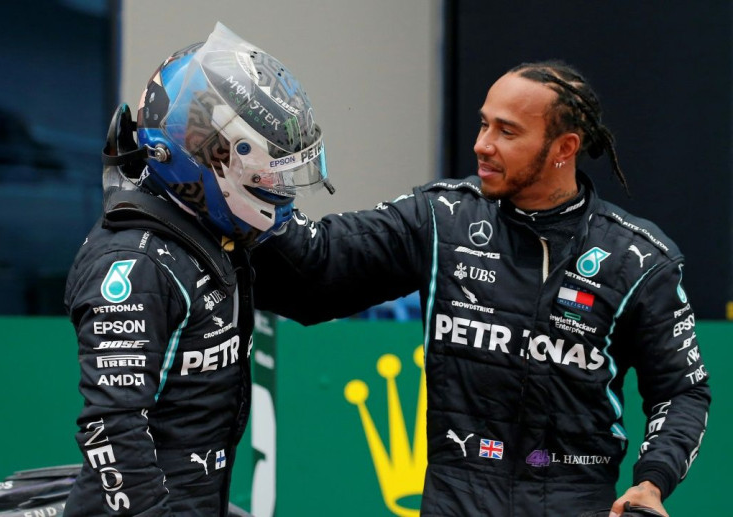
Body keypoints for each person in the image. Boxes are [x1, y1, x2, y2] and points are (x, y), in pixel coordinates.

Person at [250, 60, 711, 516]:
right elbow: (318, 267)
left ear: (563, 147)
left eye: (506, 132)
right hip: (456, 497)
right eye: (483, 125)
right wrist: (251, 192)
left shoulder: (639, 258)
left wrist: (652, 482)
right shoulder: (441, 218)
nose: (482, 145)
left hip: (576, 499)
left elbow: (682, 391)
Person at [63, 22, 332, 516]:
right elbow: (112, 427)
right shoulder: (136, 263)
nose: (280, 187)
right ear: (208, 157)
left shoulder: (204, 228)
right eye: (269, 171)